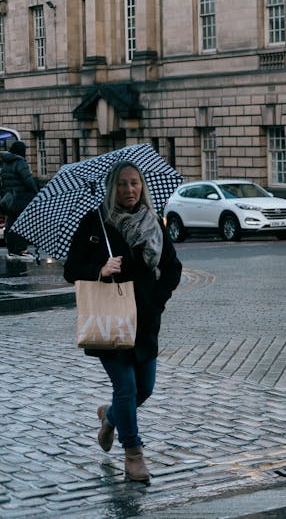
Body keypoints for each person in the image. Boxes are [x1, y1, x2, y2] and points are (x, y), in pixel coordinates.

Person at [63, 161, 182, 484]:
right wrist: (99, 270)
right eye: (122, 184)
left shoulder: (153, 222)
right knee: (126, 388)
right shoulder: (95, 223)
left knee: (144, 388)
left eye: (135, 183)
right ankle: (134, 455)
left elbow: (173, 268)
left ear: (142, 186)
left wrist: (156, 302)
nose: (129, 190)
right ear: (111, 188)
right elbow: (71, 269)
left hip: (145, 321)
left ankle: (110, 417)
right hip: (110, 320)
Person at [1, 140, 39, 259]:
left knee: (10, 224)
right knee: (22, 224)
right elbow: (28, 180)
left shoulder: (6, 162)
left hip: (9, 199)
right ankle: (22, 249)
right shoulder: (20, 162)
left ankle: (11, 250)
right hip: (21, 199)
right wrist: (36, 193)